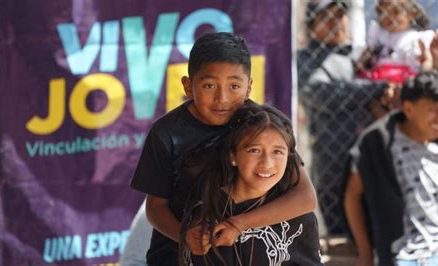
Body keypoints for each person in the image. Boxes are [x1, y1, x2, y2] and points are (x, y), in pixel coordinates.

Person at [129, 32, 317, 265]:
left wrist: (239, 224)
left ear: (249, 87)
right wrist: (185, 236)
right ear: (188, 86)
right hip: (179, 254)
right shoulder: (166, 134)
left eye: (234, 86)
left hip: (250, 249)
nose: (222, 98)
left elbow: (305, 197)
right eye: (209, 85)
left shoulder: (260, 125)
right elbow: (156, 208)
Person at [178, 104, 322, 265]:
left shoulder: (298, 216)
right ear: (232, 156)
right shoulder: (205, 204)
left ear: (289, 158)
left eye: (277, 152)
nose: (267, 163)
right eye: (254, 150)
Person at [297, 0, 392, 234]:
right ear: (311, 26)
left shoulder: (363, 53)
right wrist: (373, 90)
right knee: (340, 225)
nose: (335, 23)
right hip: (332, 156)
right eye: (326, 18)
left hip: (375, 148)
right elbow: (319, 95)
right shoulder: (306, 57)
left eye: (340, 16)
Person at [344, 70, 438, 266]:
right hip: (402, 253)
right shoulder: (379, 144)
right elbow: (352, 195)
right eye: (432, 109)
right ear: (409, 109)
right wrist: (365, 253)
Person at [356, 0, 436, 84]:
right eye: (384, 13)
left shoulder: (415, 39)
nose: (390, 17)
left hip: (403, 80)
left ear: (411, 14)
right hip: (377, 80)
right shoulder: (378, 37)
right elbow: (361, 63)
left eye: (396, 12)